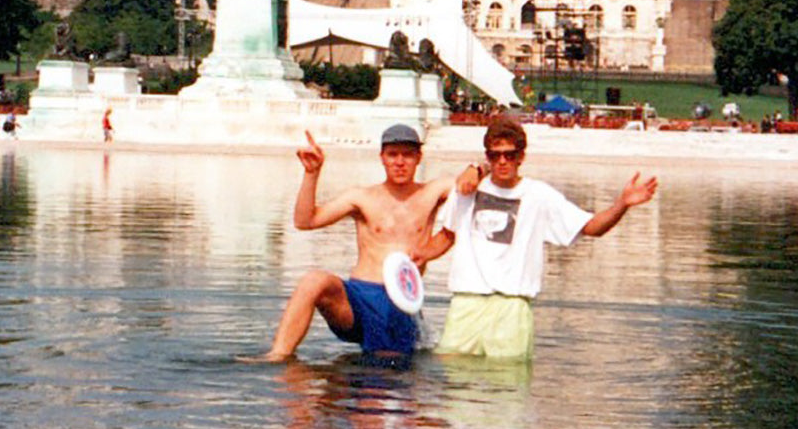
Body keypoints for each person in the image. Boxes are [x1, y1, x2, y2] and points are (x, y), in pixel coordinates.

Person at [412, 116, 659, 358]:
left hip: (513, 307)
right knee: (453, 382)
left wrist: (622, 204)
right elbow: (447, 235)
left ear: (521, 156)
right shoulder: (465, 190)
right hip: (467, 302)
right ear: (486, 157)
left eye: (510, 154)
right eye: (495, 155)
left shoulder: (539, 196)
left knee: (508, 388)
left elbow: (592, 227)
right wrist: (420, 255)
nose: (503, 161)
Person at [242, 125, 481, 363]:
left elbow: (474, 183)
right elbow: (305, 221)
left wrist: (476, 169)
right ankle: (279, 355)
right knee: (313, 281)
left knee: (384, 382)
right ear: (382, 158)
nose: (400, 162)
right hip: (356, 299)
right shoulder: (362, 197)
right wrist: (311, 174)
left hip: (397, 302)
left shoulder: (433, 192)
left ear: (418, 158)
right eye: (392, 154)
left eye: (407, 155)